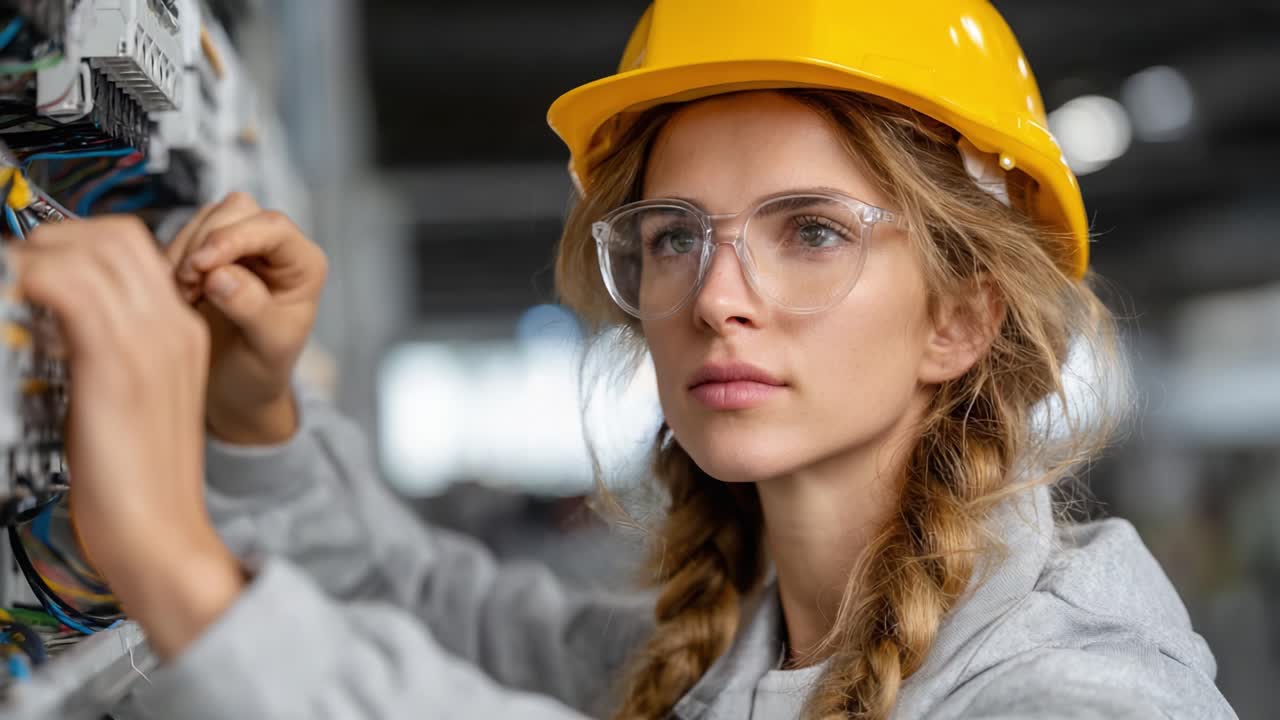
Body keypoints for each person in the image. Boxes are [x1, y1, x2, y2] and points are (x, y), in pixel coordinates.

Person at [6, 1, 1236, 718]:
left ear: (957, 319)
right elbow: (430, 607)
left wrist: (171, 556)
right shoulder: (719, 653)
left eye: (810, 232)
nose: (715, 297)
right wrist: (254, 407)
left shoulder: (1076, 693)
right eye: (670, 236)